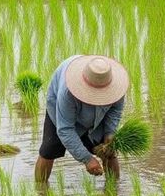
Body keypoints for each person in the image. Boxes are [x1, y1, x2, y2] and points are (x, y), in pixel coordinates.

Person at [34, 55, 129, 183]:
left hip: (98, 116)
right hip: (61, 111)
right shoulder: (67, 91)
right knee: (48, 150)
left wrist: (110, 133)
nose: (98, 97)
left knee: (109, 152)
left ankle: (113, 190)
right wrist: (87, 159)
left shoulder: (117, 89)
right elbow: (65, 129)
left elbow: (115, 111)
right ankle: (41, 194)